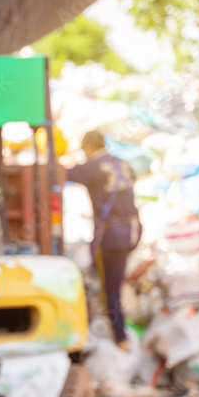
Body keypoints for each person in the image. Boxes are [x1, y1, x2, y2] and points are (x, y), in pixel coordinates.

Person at [66, 130, 142, 351]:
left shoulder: (93, 166)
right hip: (133, 231)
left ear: (88, 148)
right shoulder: (124, 164)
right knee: (114, 282)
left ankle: (118, 337)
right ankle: (115, 330)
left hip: (110, 236)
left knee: (109, 288)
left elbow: (60, 175)